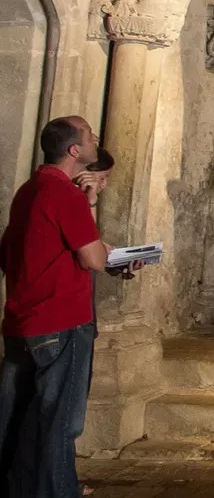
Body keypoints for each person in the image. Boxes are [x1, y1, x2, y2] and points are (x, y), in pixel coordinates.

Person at [0, 117, 123, 498]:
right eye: (89, 136)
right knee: (59, 422)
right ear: (75, 150)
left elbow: (11, 254)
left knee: (18, 417)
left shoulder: (30, 189)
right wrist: (88, 203)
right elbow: (93, 260)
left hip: (24, 320)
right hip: (60, 321)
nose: (95, 140)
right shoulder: (66, 195)